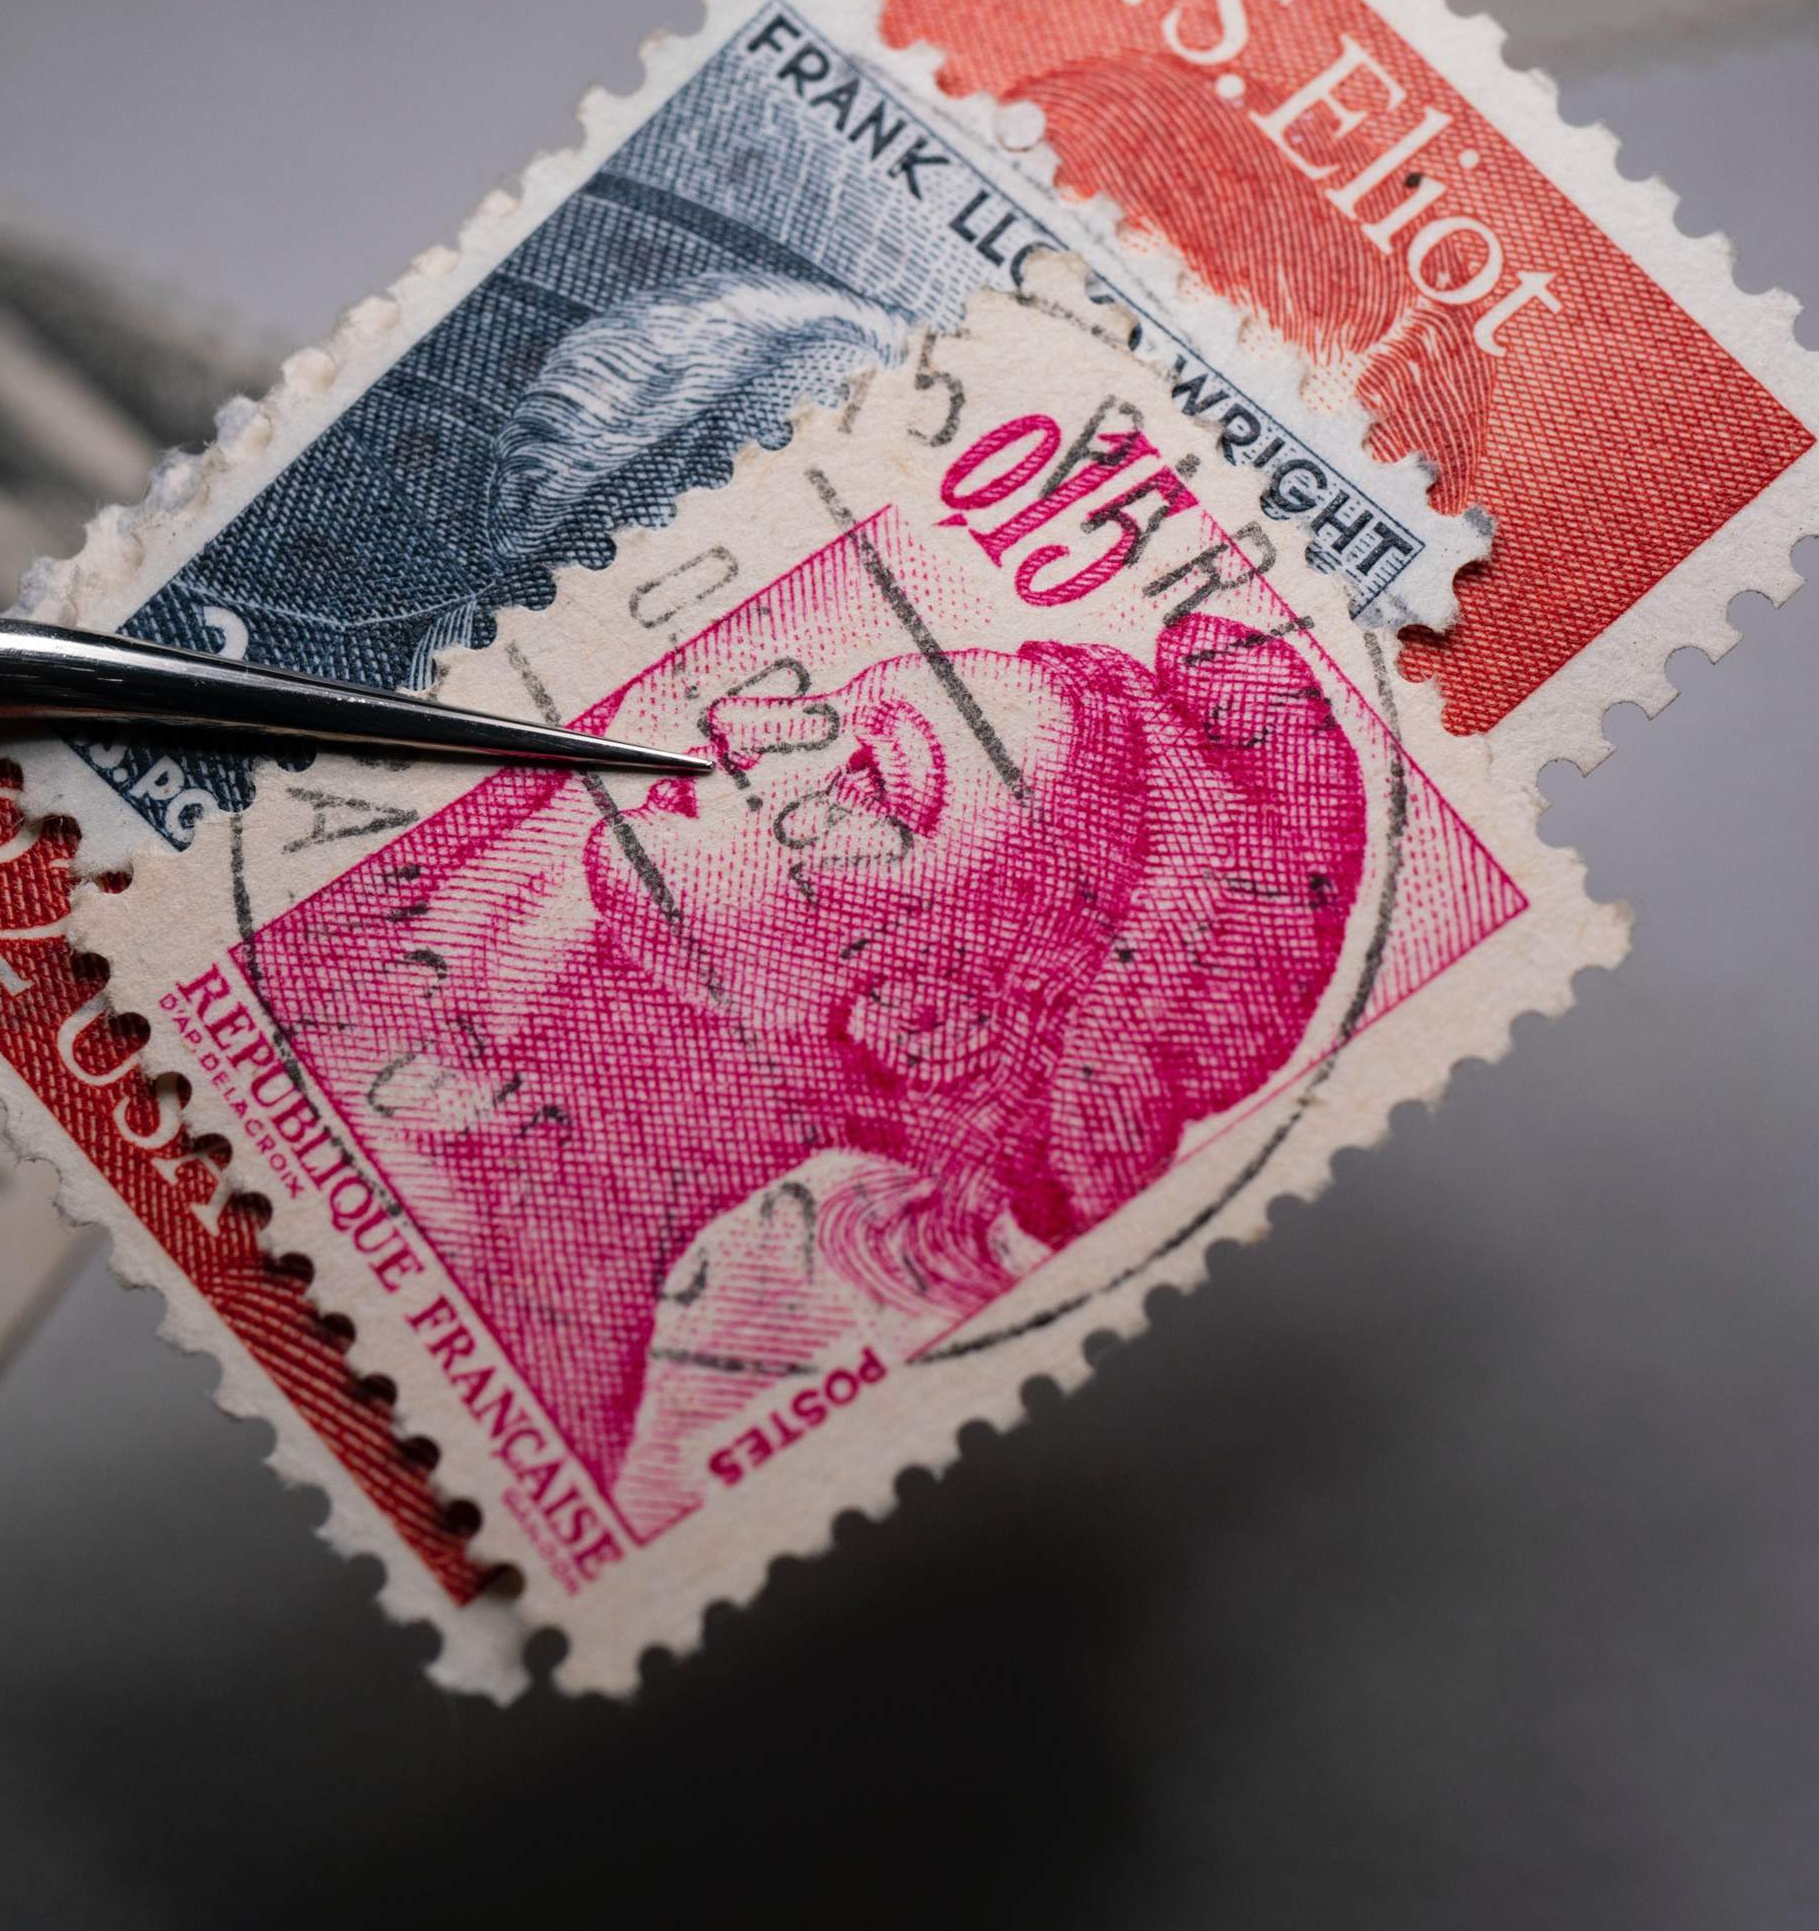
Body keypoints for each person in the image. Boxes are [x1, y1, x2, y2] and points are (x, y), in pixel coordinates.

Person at [250, 612, 1368, 1537]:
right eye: (829, 708)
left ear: (924, 1022)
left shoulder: (718, 1336)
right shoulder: (475, 991)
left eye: (872, 777)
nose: (742, 721)